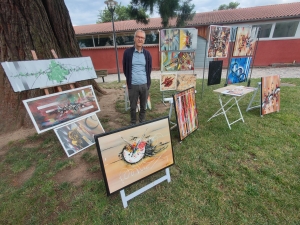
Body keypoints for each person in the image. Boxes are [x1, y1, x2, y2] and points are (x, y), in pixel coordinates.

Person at [122, 29, 152, 125]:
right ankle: (133, 123)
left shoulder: (147, 54)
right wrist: (130, 80)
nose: (140, 39)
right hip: (133, 85)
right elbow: (125, 68)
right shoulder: (127, 53)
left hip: (144, 85)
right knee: (133, 107)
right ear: (134, 38)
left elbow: (149, 69)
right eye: (138, 37)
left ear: (144, 40)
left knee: (143, 106)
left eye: (142, 38)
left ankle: (142, 122)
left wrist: (147, 83)